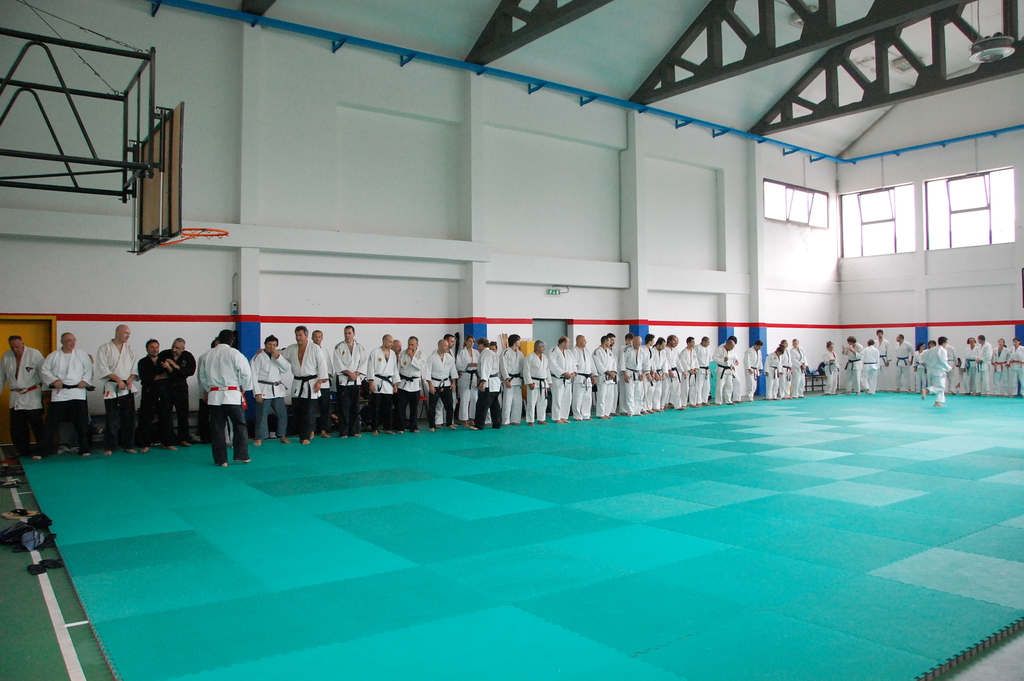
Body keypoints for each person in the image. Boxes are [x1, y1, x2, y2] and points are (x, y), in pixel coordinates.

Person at [199, 328, 254, 466]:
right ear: (231, 340)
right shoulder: (234, 353)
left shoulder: (207, 355)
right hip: (232, 395)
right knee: (239, 425)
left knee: (217, 429)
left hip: (214, 397)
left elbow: (202, 376)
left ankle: (221, 460)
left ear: (218, 339)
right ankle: (241, 455)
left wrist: (209, 388)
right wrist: (244, 387)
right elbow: (246, 373)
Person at [40, 332, 93, 457]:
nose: (72, 342)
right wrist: (54, 380)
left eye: (74, 340)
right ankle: (42, 450)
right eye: (69, 340)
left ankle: (84, 449)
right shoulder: (53, 356)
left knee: (82, 423)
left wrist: (85, 381)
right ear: (62, 342)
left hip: (78, 393)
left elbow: (89, 370)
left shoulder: (82, 355)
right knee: (51, 423)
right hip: (60, 394)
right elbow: (44, 370)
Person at [96, 325, 139, 456]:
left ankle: (128, 445)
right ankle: (110, 446)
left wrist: (130, 380)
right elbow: (103, 369)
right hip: (112, 387)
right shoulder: (104, 348)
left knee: (129, 418)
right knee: (112, 419)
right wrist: (118, 380)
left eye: (129, 333)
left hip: (127, 388)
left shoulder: (130, 349)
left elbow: (134, 369)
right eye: (125, 333)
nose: (128, 336)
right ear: (117, 332)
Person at [282, 326, 329, 444]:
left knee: (308, 411)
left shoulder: (314, 348)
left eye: (300, 335)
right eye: (296, 335)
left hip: (311, 383)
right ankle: (302, 434)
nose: (298, 337)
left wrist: (320, 381)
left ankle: (305, 436)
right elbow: (280, 355)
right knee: (297, 410)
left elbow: (322, 365)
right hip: (297, 383)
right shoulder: (292, 348)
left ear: (306, 336)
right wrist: (266, 350)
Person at [251, 334, 291, 446]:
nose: (272, 347)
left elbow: (286, 368)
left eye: (274, 345)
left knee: (282, 414)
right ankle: (259, 438)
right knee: (262, 415)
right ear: (265, 344)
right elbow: (253, 375)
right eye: (269, 344)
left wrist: (278, 357)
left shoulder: (278, 356)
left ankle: (282, 435)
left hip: (277, 389)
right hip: (263, 388)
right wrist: (257, 393)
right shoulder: (258, 357)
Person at [157, 338, 196, 447]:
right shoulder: (164, 354)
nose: (174, 349)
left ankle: (183, 438)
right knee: (165, 414)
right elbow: (159, 370)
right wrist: (168, 368)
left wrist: (176, 366)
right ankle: (168, 440)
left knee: (183, 414)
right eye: (173, 346)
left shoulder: (188, 356)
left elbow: (190, 371)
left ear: (183, 349)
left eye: (177, 348)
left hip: (181, 388)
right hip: (166, 388)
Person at [137, 339, 175, 451]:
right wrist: (160, 376)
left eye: (157, 347)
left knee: (166, 417)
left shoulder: (164, 361)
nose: (155, 349)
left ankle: (167, 442)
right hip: (149, 392)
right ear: (147, 349)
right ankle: (145, 444)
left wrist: (168, 368)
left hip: (164, 392)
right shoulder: (142, 362)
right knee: (146, 418)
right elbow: (145, 378)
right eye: (152, 347)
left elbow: (172, 376)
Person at [333, 325, 366, 438]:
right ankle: (343, 431)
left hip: (355, 380)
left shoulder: (360, 347)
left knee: (355, 407)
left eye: (349, 333)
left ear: (354, 334)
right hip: (343, 381)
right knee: (343, 407)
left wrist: (356, 373)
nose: (347, 335)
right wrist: (349, 373)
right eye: (345, 333)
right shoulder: (339, 347)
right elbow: (337, 363)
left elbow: (363, 362)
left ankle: (354, 430)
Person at [367, 334, 399, 435]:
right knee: (376, 407)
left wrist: (395, 383)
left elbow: (394, 369)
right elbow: (370, 368)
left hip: (388, 383)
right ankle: (374, 428)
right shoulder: (375, 352)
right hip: (377, 381)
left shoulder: (392, 354)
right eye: (390, 342)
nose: (391, 344)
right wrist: (371, 382)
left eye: (392, 342)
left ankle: (387, 428)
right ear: (384, 341)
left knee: (388, 407)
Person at [395, 336, 425, 434]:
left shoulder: (421, 354)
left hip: (414, 384)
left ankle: (413, 427)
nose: (410, 346)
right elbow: (398, 368)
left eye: (412, 344)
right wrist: (395, 383)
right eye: (409, 344)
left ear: (417, 345)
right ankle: (401, 427)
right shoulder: (402, 353)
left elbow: (420, 366)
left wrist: (412, 356)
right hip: (403, 383)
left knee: (414, 408)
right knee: (401, 407)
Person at [426, 339, 458, 431]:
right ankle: (432, 425)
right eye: (445, 346)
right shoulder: (432, 358)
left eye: (447, 346)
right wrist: (430, 385)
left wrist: (453, 383)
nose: (447, 347)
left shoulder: (449, 357)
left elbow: (453, 371)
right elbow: (427, 372)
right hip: (435, 384)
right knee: (432, 406)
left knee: (449, 405)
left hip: (446, 383)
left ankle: (449, 423)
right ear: (439, 346)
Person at [472, 337, 502, 430]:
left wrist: (483, 381)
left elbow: (486, 367)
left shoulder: (486, 354)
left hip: (489, 382)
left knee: (482, 404)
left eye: (478, 345)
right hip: (495, 382)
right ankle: (497, 423)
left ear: (482, 345)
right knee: (494, 404)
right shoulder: (493, 353)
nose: (477, 347)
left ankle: (479, 425)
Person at [548, 336, 577, 424]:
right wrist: (564, 373)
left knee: (567, 399)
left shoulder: (568, 352)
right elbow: (552, 364)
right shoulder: (553, 351)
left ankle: (563, 416)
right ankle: (557, 417)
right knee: (557, 398)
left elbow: (573, 363)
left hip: (568, 379)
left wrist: (574, 372)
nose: (569, 344)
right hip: (558, 379)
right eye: (568, 342)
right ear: (563, 342)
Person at [311, 330, 333, 438]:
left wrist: (324, 379)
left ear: (322, 338)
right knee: (311, 409)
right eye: (315, 337)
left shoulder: (325, 351)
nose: (318, 339)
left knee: (325, 408)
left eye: (319, 337)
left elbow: (329, 368)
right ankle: (311, 430)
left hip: (324, 385)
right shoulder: (309, 350)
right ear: (312, 338)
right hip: (312, 385)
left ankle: (324, 430)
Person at [499, 335, 524, 426]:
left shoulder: (520, 353)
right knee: (507, 401)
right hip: (509, 379)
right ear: (514, 341)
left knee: (518, 401)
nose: (520, 342)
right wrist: (506, 379)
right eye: (518, 340)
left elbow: (522, 367)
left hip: (518, 379)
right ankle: (505, 420)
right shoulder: (505, 352)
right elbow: (503, 367)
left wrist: (523, 378)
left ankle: (515, 419)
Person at [524, 340, 549, 425]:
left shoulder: (545, 358)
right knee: (531, 402)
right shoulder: (529, 357)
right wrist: (529, 382)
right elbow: (526, 371)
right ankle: (530, 420)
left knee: (543, 402)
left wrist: (549, 381)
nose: (544, 348)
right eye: (542, 346)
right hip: (533, 382)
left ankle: (541, 419)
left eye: (544, 346)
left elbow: (547, 370)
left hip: (543, 382)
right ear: (537, 347)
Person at [621, 334, 647, 416]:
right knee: (630, 393)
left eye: (640, 344)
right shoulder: (626, 349)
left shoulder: (643, 350)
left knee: (639, 393)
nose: (639, 345)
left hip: (639, 373)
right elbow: (622, 362)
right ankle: (630, 411)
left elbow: (646, 363)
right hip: (629, 372)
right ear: (633, 342)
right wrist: (625, 373)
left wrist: (644, 374)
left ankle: (637, 411)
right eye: (637, 344)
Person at [455, 336, 479, 427]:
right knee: (465, 399)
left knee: (474, 399)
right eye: (470, 341)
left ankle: (472, 418)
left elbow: (479, 365)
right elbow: (458, 365)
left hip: (474, 376)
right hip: (465, 376)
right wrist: (469, 364)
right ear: (466, 342)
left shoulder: (476, 352)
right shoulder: (461, 352)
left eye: (473, 342)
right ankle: (464, 419)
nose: (472, 343)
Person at [923, 336, 952, 407]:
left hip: (931, 370)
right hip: (939, 371)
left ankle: (937, 402)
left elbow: (923, 356)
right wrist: (949, 368)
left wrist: (929, 364)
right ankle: (927, 390)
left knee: (938, 386)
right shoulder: (942, 350)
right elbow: (942, 361)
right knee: (942, 387)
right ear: (944, 343)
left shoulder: (932, 349)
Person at [571, 335, 596, 421]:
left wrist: (594, 375)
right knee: (578, 397)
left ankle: (586, 414)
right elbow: (573, 364)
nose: (586, 342)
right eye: (584, 340)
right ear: (579, 341)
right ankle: (577, 415)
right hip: (579, 377)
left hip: (588, 377)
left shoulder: (587, 351)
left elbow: (591, 364)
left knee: (587, 397)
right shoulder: (574, 351)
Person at [593, 334, 617, 419]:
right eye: (609, 341)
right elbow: (599, 365)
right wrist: (609, 373)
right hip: (602, 376)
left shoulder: (610, 352)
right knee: (602, 396)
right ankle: (601, 414)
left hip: (610, 377)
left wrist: (613, 372)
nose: (611, 342)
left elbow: (614, 363)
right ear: (605, 341)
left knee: (610, 396)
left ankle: (607, 413)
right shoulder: (597, 352)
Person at [712, 338, 737, 406]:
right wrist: (723, 359)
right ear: (728, 345)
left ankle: (728, 400)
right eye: (731, 347)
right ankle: (718, 401)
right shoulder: (720, 349)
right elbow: (714, 358)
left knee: (729, 386)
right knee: (720, 386)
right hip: (721, 370)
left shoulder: (731, 351)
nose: (732, 349)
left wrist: (732, 365)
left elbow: (731, 359)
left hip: (729, 370)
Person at [677, 336, 698, 408]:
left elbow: (696, 361)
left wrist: (696, 368)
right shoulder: (683, 352)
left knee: (693, 388)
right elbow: (683, 362)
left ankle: (693, 402)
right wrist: (689, 370)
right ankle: (683, 403)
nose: (693, 344)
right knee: (685, 389)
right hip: (686, 372)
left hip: (693, 372)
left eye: (694, 342)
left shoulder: (694, 352)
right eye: (692, 342)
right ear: (688, 343)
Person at [696, 337, 712, 405]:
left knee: (707, 386)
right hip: (699, 368)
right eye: (708, 342)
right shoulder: (697, 347)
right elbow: (695, 359)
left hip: (706, 369)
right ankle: (698, 401)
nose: (709, 344)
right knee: (699, 386)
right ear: (703, 342)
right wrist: (695, 368)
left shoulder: (708, 348)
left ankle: (705, 400)